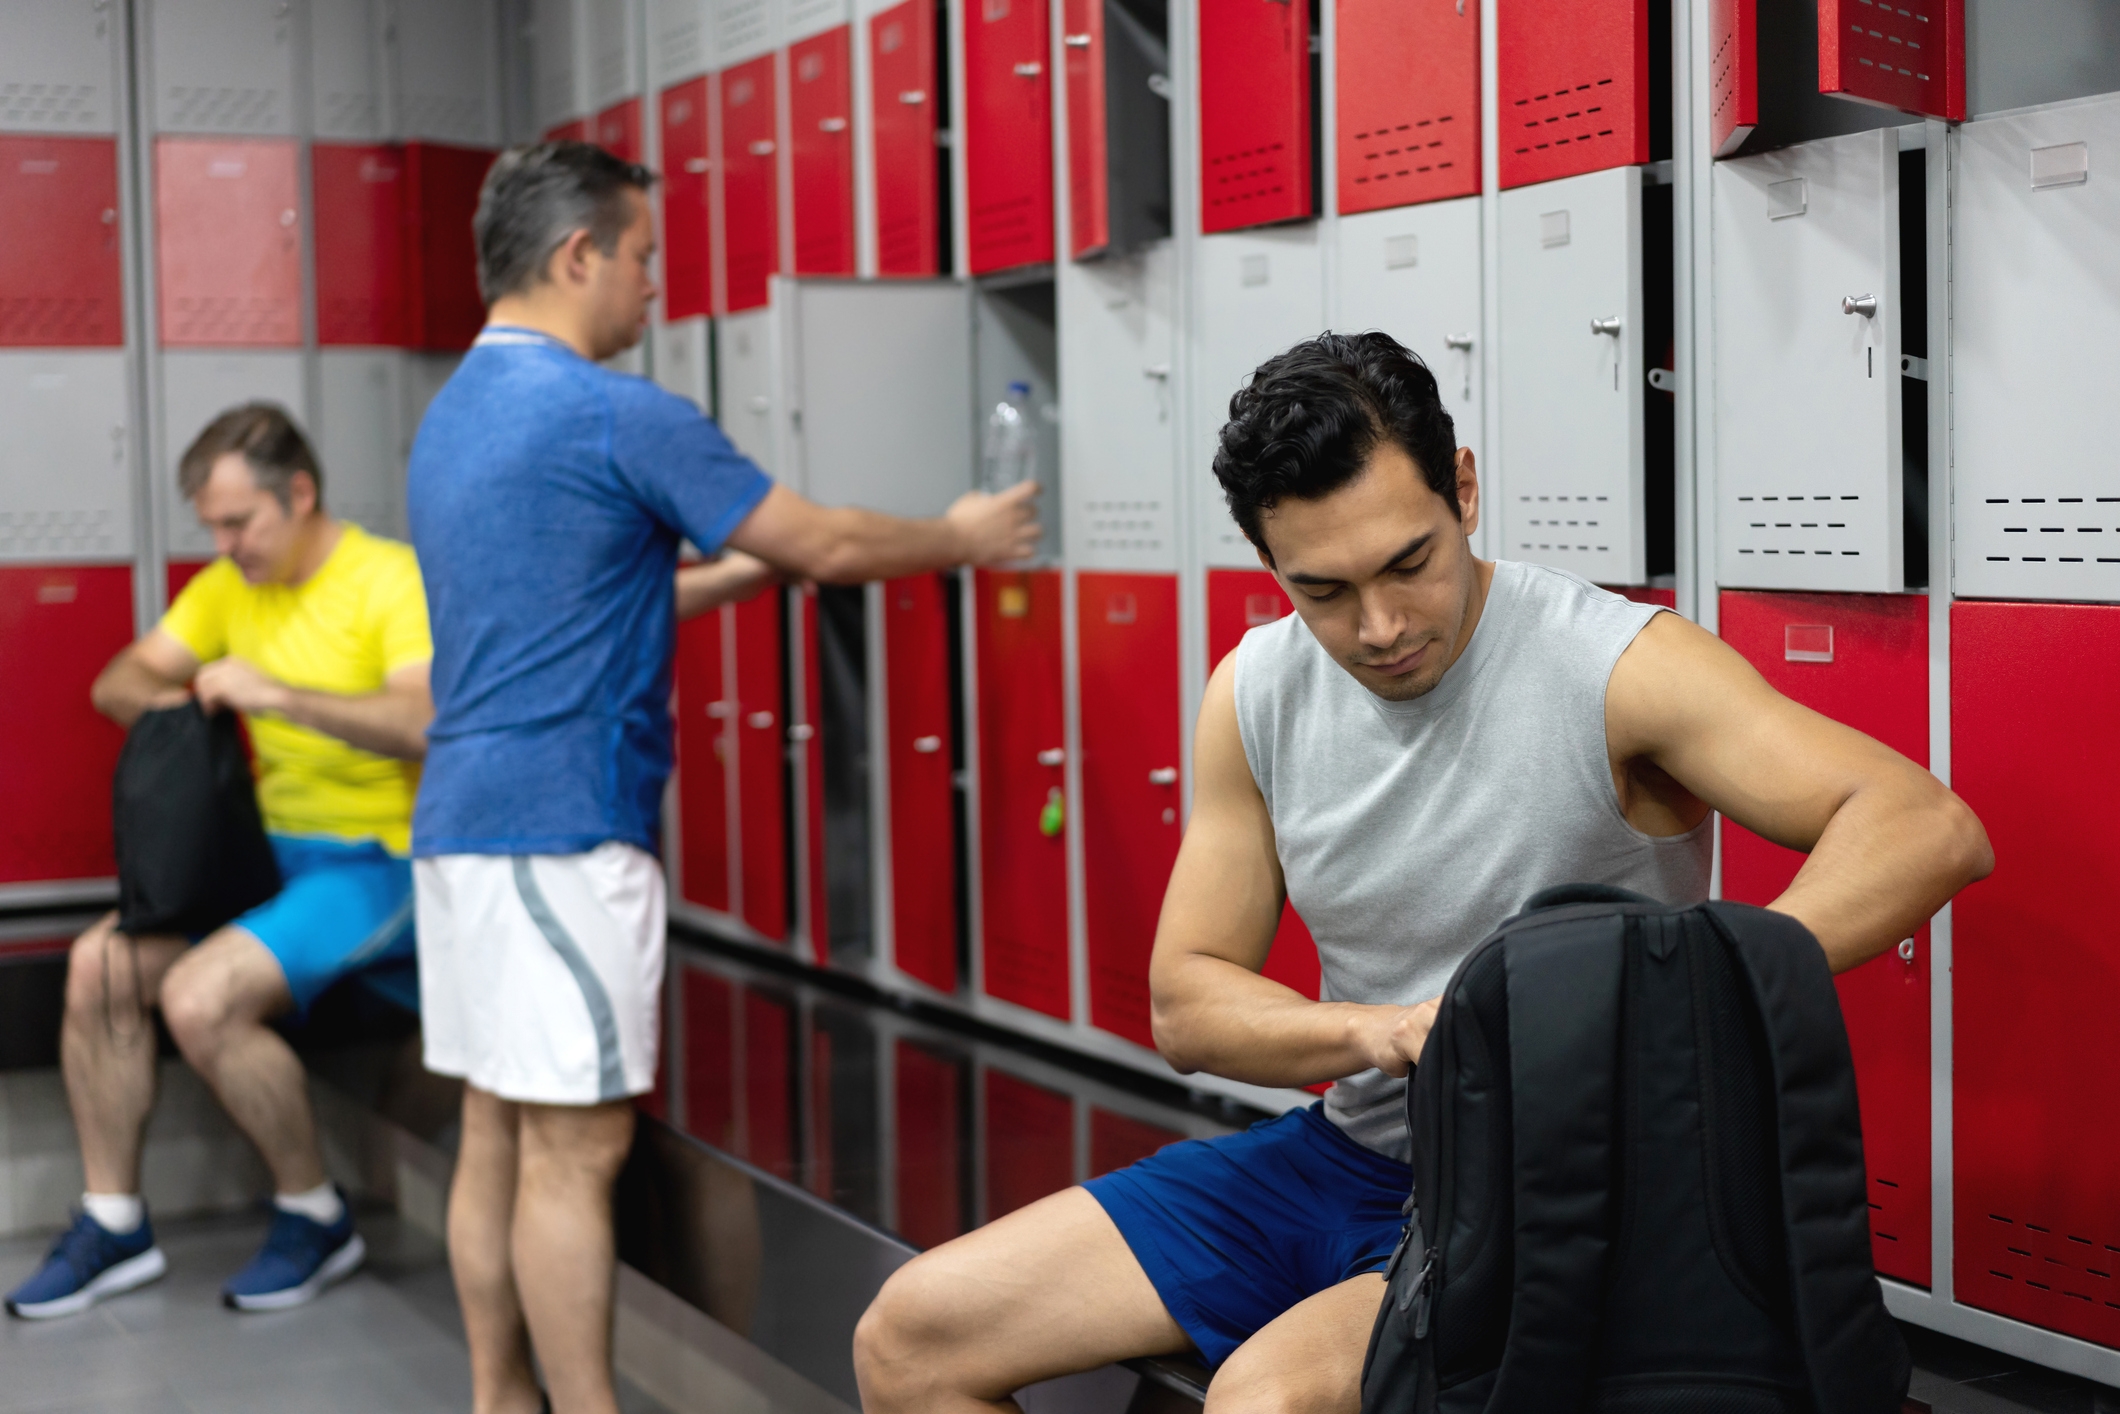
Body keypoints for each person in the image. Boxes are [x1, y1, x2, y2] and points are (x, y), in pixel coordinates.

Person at [851, 331, 1994, 1411]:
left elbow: (1922, 823)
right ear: (1267, 562)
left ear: (1462, 486)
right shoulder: (1253, 690)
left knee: (1266, 1399)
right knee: (910, 1335)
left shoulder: (1615, 666)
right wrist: (1387, 1031)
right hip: (1347, 1154)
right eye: (1324, 591)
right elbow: (1187, 1000)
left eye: (1410, 561)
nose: (1382, 625)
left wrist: (1681, 984)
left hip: (1552, 1189)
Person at [406, 141, 1040, 1414]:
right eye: (642, 258)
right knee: (574, 1155)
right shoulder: (609, 410)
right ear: (577, 254)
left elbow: (588, 592)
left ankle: (498, 1396)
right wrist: (957, 534)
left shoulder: (455, 412)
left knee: (493, 1129)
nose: (655, 291)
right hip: (563, 832)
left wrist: (758, 560)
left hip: (463, 830)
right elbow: (828, 536)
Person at [5, 406, 434, 1320]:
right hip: (269, 861)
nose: (225, 543)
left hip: (380, 860)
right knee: (100, 965)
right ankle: (114, 1220)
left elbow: (421, 724)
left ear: (301, 493)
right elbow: (116, 680)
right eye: (213, 526)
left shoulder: (388, 580)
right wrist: (188, 702)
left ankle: (316, 1213)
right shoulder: (229, 589)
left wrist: (274, 694)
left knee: (200, 996)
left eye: (239, 522)